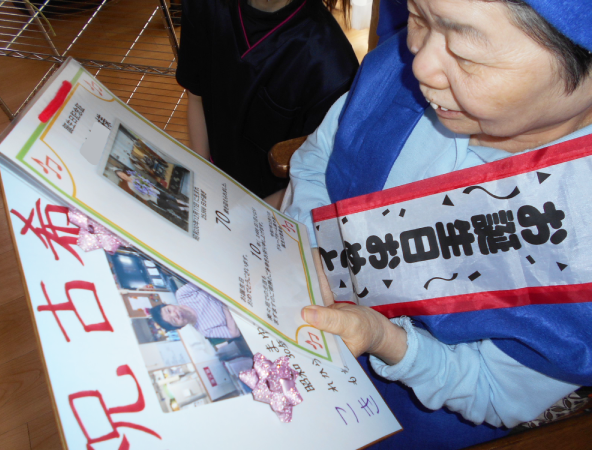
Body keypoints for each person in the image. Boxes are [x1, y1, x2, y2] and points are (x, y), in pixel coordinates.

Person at [284, 0, 592, 447]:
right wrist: (306, 245)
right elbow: (317, 160)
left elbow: (493, 390)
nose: (419, 65)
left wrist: (384, 338)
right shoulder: (400, 73)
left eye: (466, 53)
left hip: (407, 412)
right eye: (417, 18)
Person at [175, 0, 359, 205]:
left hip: (270, 205)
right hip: (215, 175)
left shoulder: (332, 66)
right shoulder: (205, 6)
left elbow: (316, 179)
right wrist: (201, 176)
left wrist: (242, 213)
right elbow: (196, 97)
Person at [150, 283, 241, 339]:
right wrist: (225, 307)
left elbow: (204, 279)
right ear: (180, 326)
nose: (175, 314)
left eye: (169, 310)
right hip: (240, 311)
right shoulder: (205, 330)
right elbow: (234, 333)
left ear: (169, 304)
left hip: (232, 286)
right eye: (174, 320)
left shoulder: (182, 295)